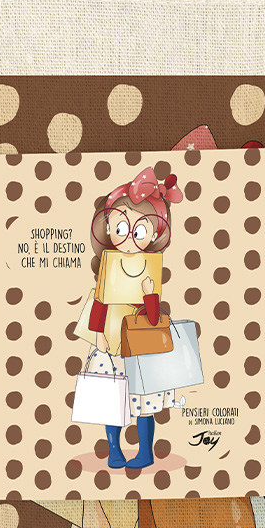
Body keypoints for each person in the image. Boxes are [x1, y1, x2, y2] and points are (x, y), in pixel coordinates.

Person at [86, 168, 182, 468]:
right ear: (108, 228)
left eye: (138, 231)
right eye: (120, 227)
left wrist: (150, 295)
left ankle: (145, 452)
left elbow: (153, 319)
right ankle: (114, 450)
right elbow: (99, 304)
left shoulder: (150, 268)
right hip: (111, 343)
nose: (128, 237)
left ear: (153, 234)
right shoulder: (108, 266)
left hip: (140, 346)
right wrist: (98, 334)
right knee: (110, 400)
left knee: (144, 401)